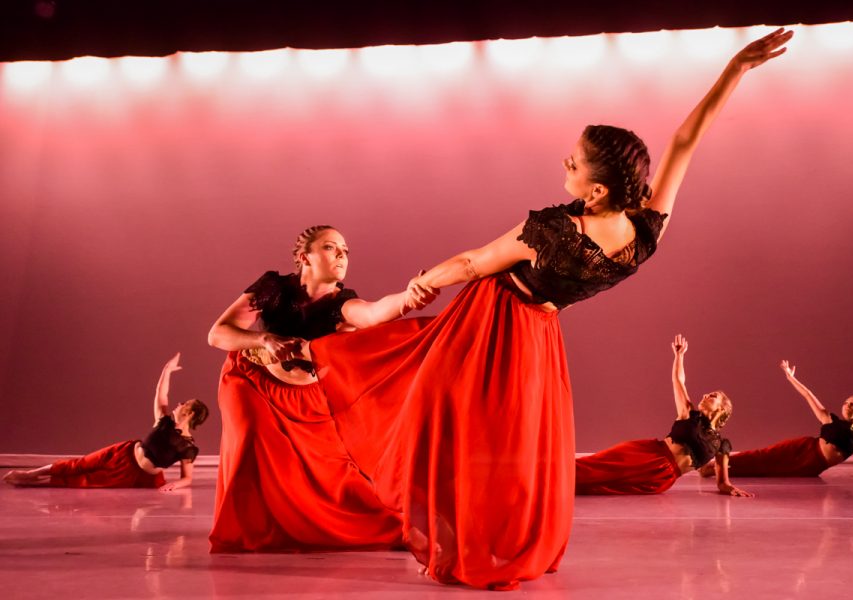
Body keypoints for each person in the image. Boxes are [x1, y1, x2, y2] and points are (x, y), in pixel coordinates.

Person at [309, 29, 793, 589]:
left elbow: (473, 264)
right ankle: (488, 535)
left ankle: (444, 527)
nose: (567, 160)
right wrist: (735, 70)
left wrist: (421, 283)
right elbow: (686, 141)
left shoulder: (556, 231)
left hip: (490, 324)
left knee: (426, 407)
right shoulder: (643, 231)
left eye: (577, 161)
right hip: (540, 335)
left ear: (596, 193)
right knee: (506, 442)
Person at [206, 225, 434, 552]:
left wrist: (408, 298)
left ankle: (311, 528)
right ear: (304, 257)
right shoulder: (272, 288)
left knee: (336, 479)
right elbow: (218, 334)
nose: (341, 255)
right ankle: (250, 530)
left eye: (345, 250)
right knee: (250, 437)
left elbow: (373, 313)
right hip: (251, 381)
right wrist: (262, 338)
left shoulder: (341, 303)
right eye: (330, 247)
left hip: (307, 399)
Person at [575, 335, 751, 497]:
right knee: (596, 469)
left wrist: (729, 487)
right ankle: (552, 475)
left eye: (712, 396)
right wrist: (679, 356)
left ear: (721, 409)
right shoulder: (689, 414)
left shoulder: (721, 445)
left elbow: (721, 482)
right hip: (649, 454)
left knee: (603, 486)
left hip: (663, 477)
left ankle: (558, 484)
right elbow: (679, 381)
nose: (705, 396)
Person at [3, 353, 207, 491]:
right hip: (122, 452)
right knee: (78, 465)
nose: (179, 403)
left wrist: (174, 486)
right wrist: (166, 370)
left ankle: (33, 483)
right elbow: (161, 395)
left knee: (84, 481)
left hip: (133, 473)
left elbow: (186, 478)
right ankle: (29, 474)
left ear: (190, 413)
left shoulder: (188, 447)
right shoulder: (164, 423)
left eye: (184, 404)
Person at [700, 360, 853, 479]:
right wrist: (791, 377)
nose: (847, 405)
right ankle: (711, 467)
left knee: (769, 471)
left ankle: (715, 469)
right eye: (846, 402)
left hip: (812, 467)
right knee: (763, 457)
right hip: (803, 448)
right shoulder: (830, 420)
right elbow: (808, 395)